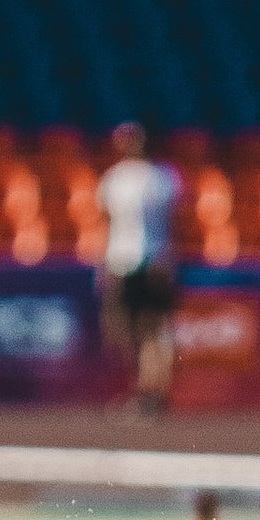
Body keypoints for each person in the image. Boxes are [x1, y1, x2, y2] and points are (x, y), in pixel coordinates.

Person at [97, 123, 183, 415]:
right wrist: (103, 262)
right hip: (122, 259)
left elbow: (173, 223)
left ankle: (152, 391)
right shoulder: (114, 178)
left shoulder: (163, 177)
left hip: (153, 260)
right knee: (125, 329)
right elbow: (107, 223)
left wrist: (169, 257)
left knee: (154, 327)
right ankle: (141, 388)